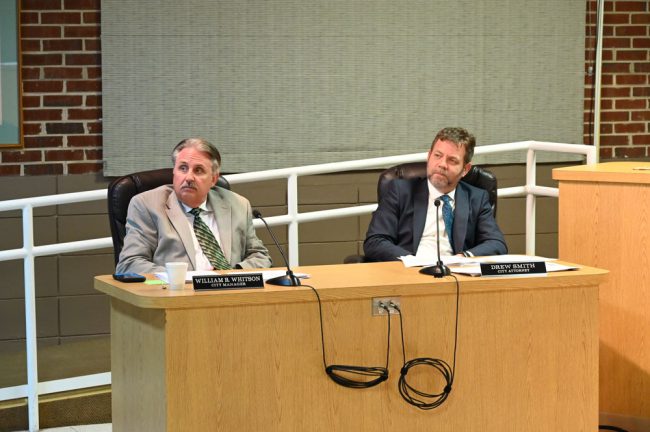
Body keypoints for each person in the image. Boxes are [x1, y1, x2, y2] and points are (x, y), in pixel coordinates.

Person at [116, 137, 272, 274]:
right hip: (176, 296)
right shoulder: (147, 205)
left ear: (213, 179)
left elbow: (260, 256)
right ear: (174, 172)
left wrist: (232, 275)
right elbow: (130, 263)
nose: (189, 177)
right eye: (183, 168)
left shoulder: (238, 204)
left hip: (229, 295)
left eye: (198, 170)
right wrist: (187, 279)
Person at [363, 127, 507, 261]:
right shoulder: (401, 191)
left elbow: (496, 243)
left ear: (465, 169)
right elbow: (375, 241)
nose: (442, 164)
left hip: (456, 276)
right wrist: (412, 261)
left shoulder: (476, 198)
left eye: (452, 160)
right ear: (429, 156)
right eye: (437, 155)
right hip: (410, 272)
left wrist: (463, 257)